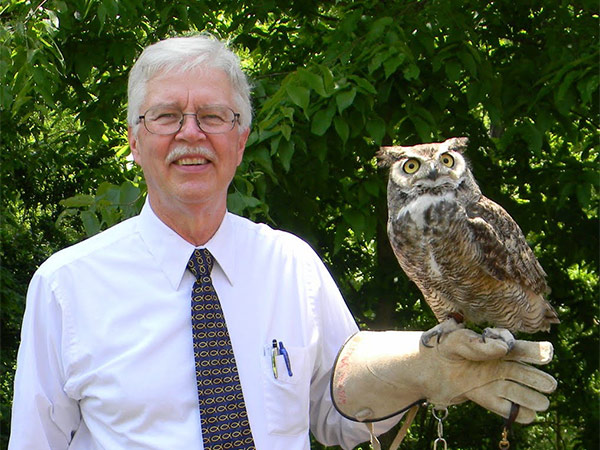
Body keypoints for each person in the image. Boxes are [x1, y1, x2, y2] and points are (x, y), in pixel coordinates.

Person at [9, 34, 556, 450]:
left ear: (241, 139)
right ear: (133, 140)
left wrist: (418, 367)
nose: (191, 133)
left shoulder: (291, 264)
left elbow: (341, 411)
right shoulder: (65, 287)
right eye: (167, 116)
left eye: (214, 116)